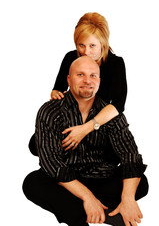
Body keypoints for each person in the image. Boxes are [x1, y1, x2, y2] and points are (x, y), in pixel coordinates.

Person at [23, 56, 148, 226]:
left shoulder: (109, 113)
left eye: (93, 76)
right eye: (80, 75)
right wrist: (87, 197)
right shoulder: (50, 110)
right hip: (67, 181)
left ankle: (88, 207)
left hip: (99, 176)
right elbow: (51, 163)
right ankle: (92, 214)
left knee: (141, 184)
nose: (87, 81)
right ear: (68, 79)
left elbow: (130, 154)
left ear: (99, 81)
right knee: (33, 183)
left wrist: (128, 199)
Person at [29, 12, 127, 155]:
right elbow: (58, 89)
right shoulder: (71, 57)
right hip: (73, 117)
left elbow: (118, 105)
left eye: (92, 46)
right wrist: (56, 94)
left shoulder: (116, 64)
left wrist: (85, 129)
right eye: (81, 45)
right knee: (36, 144)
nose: (85, 52)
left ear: (103, 43)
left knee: (113, 152)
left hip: (99, 123)